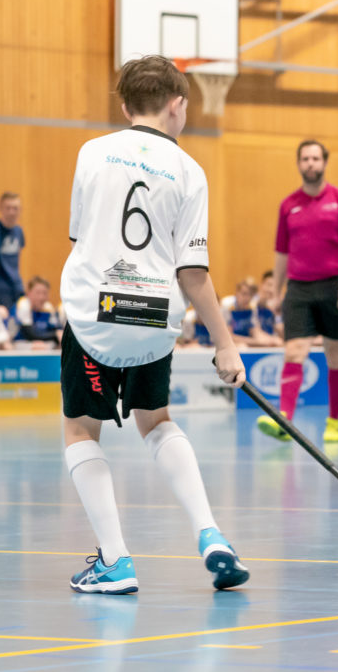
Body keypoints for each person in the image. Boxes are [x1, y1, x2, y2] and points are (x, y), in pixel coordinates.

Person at [59, 54, 248, 594]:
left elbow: (81, 238)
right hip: (154, 314)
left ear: (125, 107)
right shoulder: (190, 170)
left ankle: (115, 561)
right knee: (157, 420)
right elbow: (193, 272)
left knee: (80, 428)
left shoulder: (91, 152)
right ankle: (210, 534)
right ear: (178, 105)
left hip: (95, 312)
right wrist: (225, 345)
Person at [258, 139, 338, 444]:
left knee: (335, 353)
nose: (310, 163)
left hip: (335, 286)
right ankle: (284, 420)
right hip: (299, 288)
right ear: (298, 164)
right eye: (305, 158)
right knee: (294, 350)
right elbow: (281, 252)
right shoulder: (288, 205)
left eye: (315, 158)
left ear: (324, 163)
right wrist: (276, 292)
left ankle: (334, 422)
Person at [221, 278, 279, 347]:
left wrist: (272, 340)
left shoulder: (252, 309)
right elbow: (228, 337)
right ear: (237, 293)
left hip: (247, 343)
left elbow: (256, 332)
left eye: (250, 295)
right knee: (242, 346)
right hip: (230, 345)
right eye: (244, 294)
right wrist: (255, 342)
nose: (247, 298)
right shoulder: (227, 307)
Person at [13, 276, 64, 348]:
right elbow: (30, 334)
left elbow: (56, 330)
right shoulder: (23, 305)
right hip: (19, 342)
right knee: (38, 346)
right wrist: (55, 335)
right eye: (38, 293)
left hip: (42, 341)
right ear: (28, 293)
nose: (41, 297)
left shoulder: (48, 308)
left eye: (45, 293)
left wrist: (57, 336)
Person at [254, 270, 283, 346]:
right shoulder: (251, 304)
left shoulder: (279, 307)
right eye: (269, 285)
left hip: (274, 346)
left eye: (275, 287)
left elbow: (283, 333)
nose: (271, 290)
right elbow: (255, 333)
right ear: (261, 285)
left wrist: (277, 314)